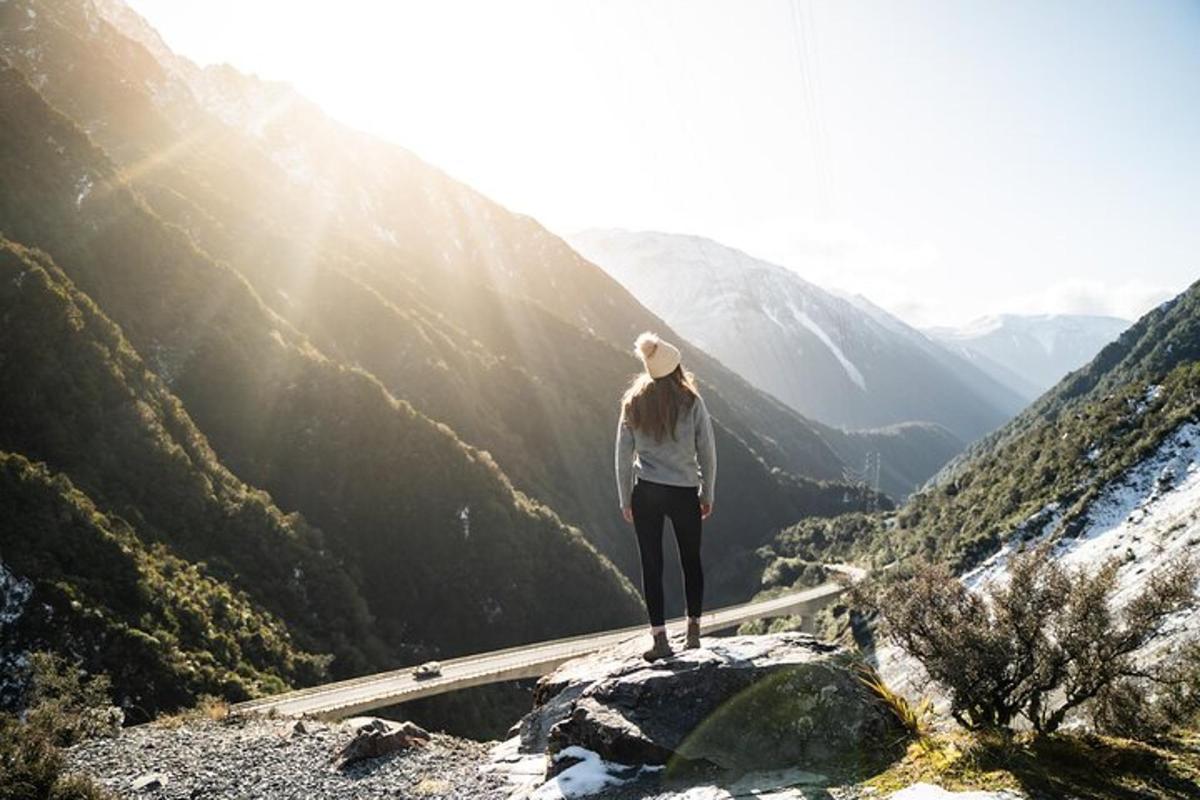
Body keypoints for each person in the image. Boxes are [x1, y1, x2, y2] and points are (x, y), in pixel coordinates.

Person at [615, 332, 717, 661]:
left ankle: (660, 640)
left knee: (652, 565)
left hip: (646, 491)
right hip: (685, 492)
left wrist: (625, 498)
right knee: (691, 561)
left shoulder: (633, 401)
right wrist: (708, 491)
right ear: (675, 367)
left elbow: (621, 454)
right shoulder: (692, 402)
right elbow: (707, 452)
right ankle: (694, 634)